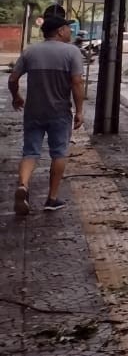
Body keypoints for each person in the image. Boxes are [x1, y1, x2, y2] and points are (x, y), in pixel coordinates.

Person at [9, 11, 86, 213]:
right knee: (59, 153)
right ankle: (52, 199)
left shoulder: (30, 52)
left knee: (30, 151)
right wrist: (79, 111)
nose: (69, 30)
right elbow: (77, 83)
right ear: (60, 31)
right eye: (68, 27)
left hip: (33, 111)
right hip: (59, 112)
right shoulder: (72, 52)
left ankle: (23, 185)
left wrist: (16, 97)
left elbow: (12, 79)